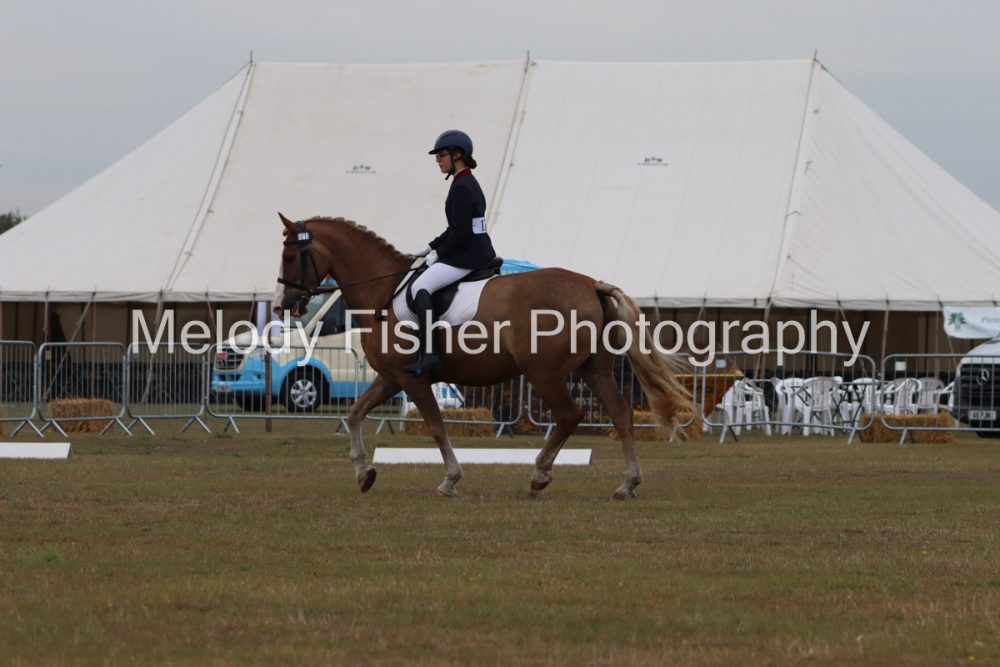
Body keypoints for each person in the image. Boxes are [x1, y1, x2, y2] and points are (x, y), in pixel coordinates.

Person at [405, 129, 497, 376]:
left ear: (457, 155)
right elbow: (455, 228)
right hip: (474, 250)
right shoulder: (466, 181)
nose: (438, 161)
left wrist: (438, 255)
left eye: (441, 155)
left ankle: (431, 355)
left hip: (468, 255)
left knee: (420, 286)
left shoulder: (461, 187)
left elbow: (461, 234)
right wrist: (431, 246)